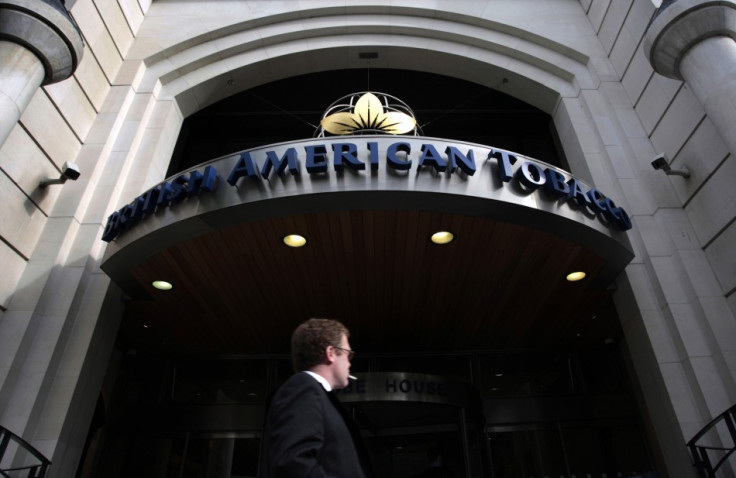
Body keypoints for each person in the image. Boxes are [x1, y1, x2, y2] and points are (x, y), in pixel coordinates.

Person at [261, 318, 373, 478]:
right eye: (348, 354)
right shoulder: (302, 388)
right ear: (331, 353)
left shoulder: (313, 393)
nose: (349, 363)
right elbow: (294, 464)